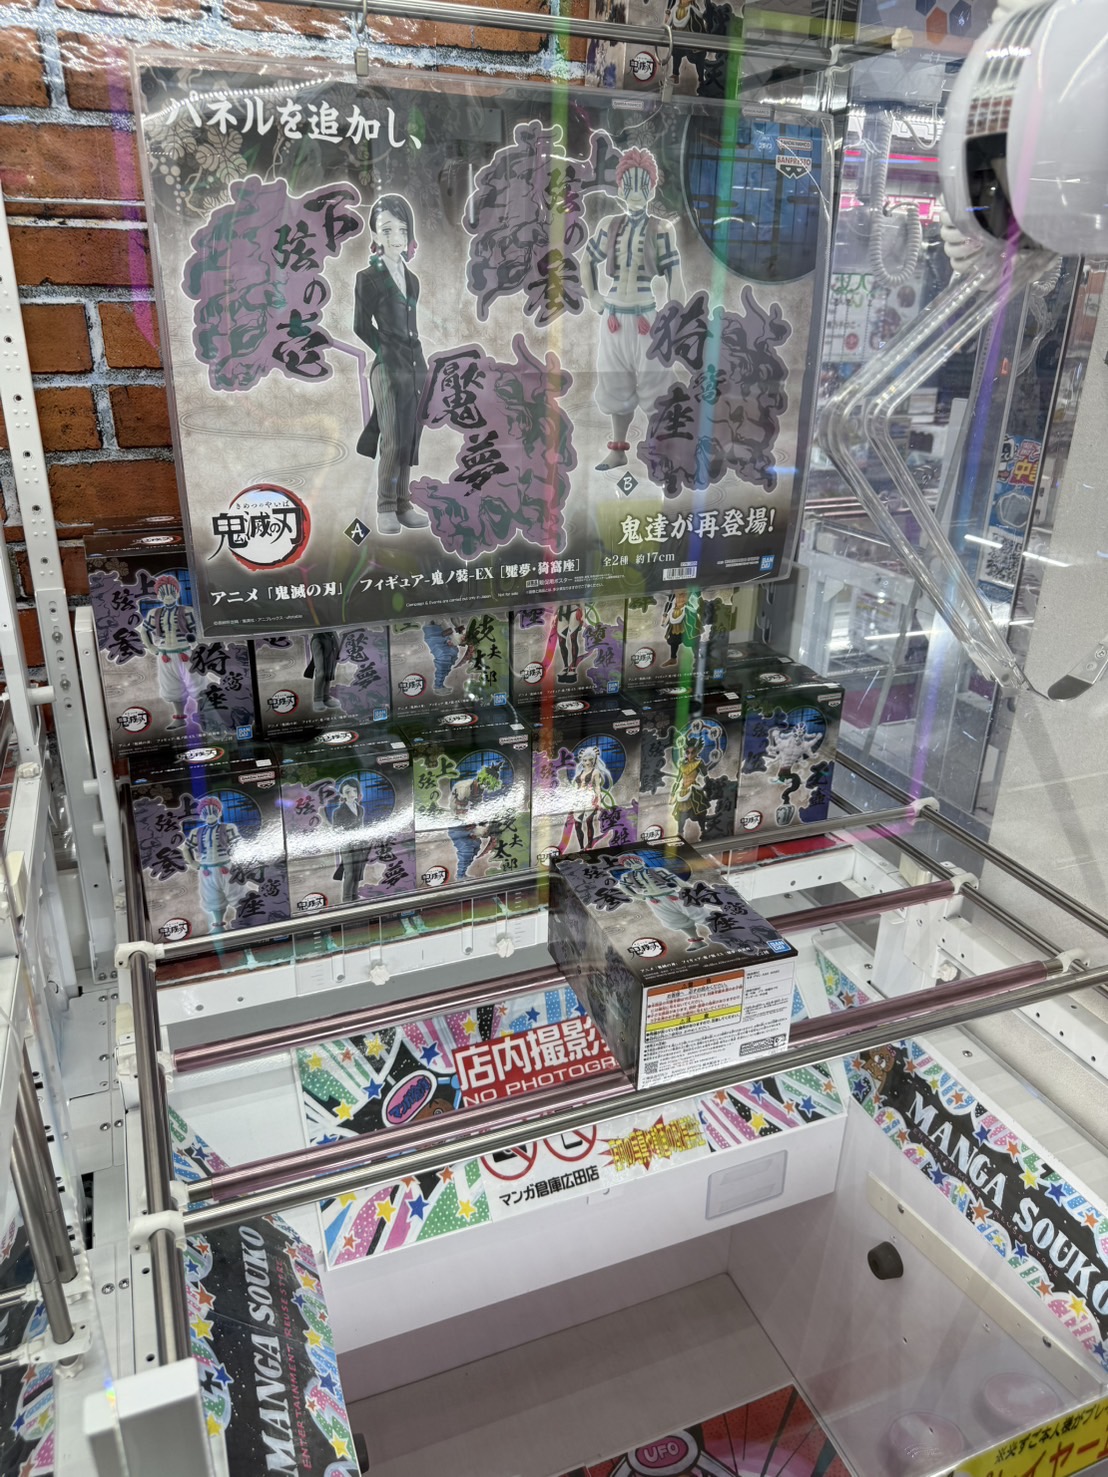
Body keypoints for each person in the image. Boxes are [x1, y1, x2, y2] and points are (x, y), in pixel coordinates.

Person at [586, 147, 682, 474]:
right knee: (615, 381)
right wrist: (594, 296)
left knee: (656, 384)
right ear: (620, 189)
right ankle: (618, 449)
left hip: (647, 317)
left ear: (652, 189)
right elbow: (587, 260)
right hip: (614, 316)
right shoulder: (609, 225)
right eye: (629, 186)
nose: (636, 194)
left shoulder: (662, 229)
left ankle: (659, 449)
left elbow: (674, 276)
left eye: (643, 186)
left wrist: (674, 316)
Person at [353, 194, 432, 537]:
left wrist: (415, 361)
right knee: (393, 438)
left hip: (415, 368)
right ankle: (386, 505)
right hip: (386, 369)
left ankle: (403, 504)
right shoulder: (368, 277)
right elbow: (360, 326)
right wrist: (386, 350)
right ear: (375, 234)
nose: (396, 237)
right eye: (386, 230)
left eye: (402, 229)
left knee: (410, 437)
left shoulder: (412, 279)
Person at [180, 795, 256, 933]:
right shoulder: (196, 832)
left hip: (226, 867)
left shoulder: (229, 828)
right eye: (206, 812)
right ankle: (218, 924)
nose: (210, 815)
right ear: (201, 815)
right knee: (212, 897)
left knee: (237, 894)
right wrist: (193, 863)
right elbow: (186, 848)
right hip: (207, 870)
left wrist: (239, 860)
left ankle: (245, 919)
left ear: (219, 812)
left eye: (213, 811)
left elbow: (239, 845)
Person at [612, 853, 714, 951]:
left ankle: (719, 931)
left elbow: (676, 880)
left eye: (635, 861)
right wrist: (637, 896)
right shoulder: (627, 876)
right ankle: (696, 941)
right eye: (629, 863)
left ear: (641, 861)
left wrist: (689, 890)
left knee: (699, 913)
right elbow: (624, 887)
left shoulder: (657, 870)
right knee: (675, 920)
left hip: (673, 895)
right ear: (626, 866)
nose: (634, 864)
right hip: (654, 900)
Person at [139, 574, 198, 732]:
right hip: (165, 654)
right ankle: (180, 718)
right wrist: (151, 647)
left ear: (177, 593)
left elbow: (197, 630)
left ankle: (204, 714)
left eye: (171, 592)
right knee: (172, 687)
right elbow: (144, 631)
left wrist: (194, 643)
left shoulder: (187, 611)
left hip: (186, 652)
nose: (168, 596)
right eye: (164, 593)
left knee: (197, 684)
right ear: (158, 596)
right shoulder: (154, 613)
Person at [328, 779, 371, 905]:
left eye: (354, 790)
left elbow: (361, 826)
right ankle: (347, 899)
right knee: (349, 872)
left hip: (359, 844)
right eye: (347, 791)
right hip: (346, 845)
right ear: (342, 794)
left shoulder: (360, 809)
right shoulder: (338, 811)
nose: (352, 794)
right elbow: (337, 830)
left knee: (357, 870)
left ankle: (354, 895)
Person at [567, 745, 614, 852]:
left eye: (590, 760)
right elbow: (576, 788)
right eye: (585, 760)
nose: (587, 762)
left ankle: (589, 847)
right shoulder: (580, 772)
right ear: (582, 761)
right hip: (579, 799)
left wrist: (599, 801)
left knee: (589, 822)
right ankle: (581, 847)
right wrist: (572, 802)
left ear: (594, 760)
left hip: (589, 798)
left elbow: (597, 787)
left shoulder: (595, 772)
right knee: (577, 825)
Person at [304, 629, 342, 712]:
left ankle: (325, 697)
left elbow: (336, 640)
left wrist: (337, 653)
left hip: (330, 638)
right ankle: (318, 699)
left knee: (328, 672)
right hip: (318, 637)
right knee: (321, 672)